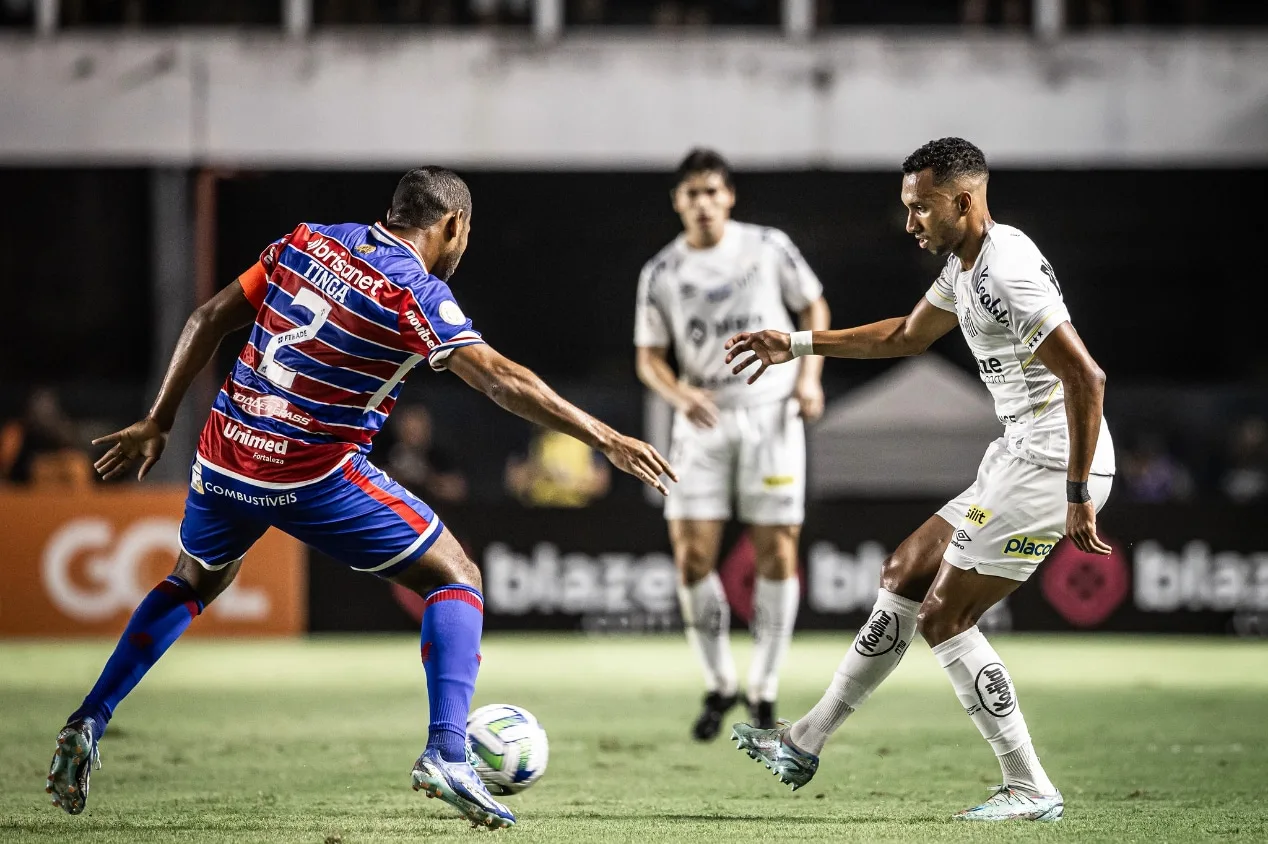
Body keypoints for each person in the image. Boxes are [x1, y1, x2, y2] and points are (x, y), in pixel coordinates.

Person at [46, 167, 676, 829]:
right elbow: (498, 380)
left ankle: (88, 719)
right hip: (307, 473)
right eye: (464, 235)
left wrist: (158, 420)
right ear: (453, 226)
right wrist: (606, 437)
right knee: (456, 577)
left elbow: (207, 317)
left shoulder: (306, 240)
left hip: (225, 451)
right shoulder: (414, 290)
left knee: (192, 580)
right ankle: (447, 752)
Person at [725, 138, 1115, 822]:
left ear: (963, 201)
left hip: (1054, 463)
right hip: (1019, 452)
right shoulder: (967, 266)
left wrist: (1078, 493)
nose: (910, 223)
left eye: (921, 208)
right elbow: (905, 335)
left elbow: (1087, 377)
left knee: (944, 617)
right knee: (905, 571)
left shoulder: (1005, 272)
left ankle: (1030, 786)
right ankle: (804, 739)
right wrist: (796, 344)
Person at [634, 149, 831, 740]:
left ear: (729, 197)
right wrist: (678, 394)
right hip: (701, 420)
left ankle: (764, 687)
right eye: (691, 193)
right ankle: (720, 681)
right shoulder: (661, 271)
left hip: (770, 413)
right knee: (692, 556)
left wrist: (810, 375)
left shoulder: (768, 247)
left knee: (778, 550)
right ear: (678, 202)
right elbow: (648, 357)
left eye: (712, 192)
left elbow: (813, 303)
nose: (703, 203)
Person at [504, 426, 611, 507]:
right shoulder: (532, 440)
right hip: (538, 512)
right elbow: (513, 483)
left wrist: (570, 482)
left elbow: (601, 486)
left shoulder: (587, 441)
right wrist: (539, 473)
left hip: (577, 513)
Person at [384, 404, 468, 503]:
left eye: (418, 429)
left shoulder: (440, 457)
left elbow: (457, 490)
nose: (414, 435)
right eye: (410, 430)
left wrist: (428, 480)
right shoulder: (384, 451)